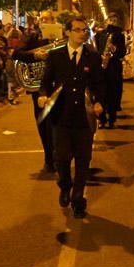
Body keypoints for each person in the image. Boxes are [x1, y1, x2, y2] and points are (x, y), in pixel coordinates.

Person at [38, 16, 104, 218]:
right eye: (77, 30)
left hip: (84, 117)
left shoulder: (92, 57)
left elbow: (99, 84)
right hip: (61, 116)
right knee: (62, 158)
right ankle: (65, 185)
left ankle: (78, 198)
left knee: (84, 160)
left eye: (84, 30)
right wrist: (42, 95)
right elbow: (46, 80)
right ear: (67, 32)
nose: (82, 33)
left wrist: (99, 102)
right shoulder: (55, 55)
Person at [13, 10, 58, 174]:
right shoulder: (32, 37)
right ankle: (49, 159)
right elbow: (16, 54)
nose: (44, 21)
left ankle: (58, 156)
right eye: (42, 19)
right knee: (43, 124)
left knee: (58, 124)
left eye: (48, 19)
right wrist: (35, 56)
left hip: (58, 86)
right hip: (39, 88)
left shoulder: (60, 37)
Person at [95, 13, 126, 128]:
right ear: (107, 20)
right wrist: (100, 57)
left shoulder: (119, 35)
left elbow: (123, 52)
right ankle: (102, 119)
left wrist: (115, 50)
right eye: (110, 19)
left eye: (114, 19)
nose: (112, 21)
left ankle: (112, 118)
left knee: (113, 93)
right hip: (102, 67)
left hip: (114, 67)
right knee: (102, 93)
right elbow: (96, 50)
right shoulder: (100, 34)